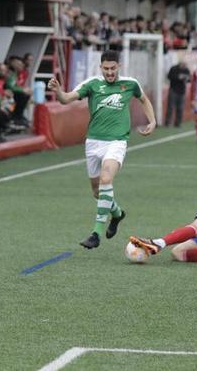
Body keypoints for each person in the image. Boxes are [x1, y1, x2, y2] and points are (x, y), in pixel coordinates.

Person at [47, 50, 156, 249]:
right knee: (98, 192)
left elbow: (144, 100)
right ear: (101, 68)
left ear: (119, 67)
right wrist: (58, 91)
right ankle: (117, 213)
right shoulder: (92, 84)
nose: (110, 72)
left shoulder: (130, 84)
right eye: (106, 69)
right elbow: (66, 99)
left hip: (117, 141)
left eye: (113, 68)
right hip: (93, 143)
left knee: (107, 179)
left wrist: (152, 120)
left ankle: (96, 233)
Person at [165, 60, 191, 128]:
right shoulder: (174, 68)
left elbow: (189, 79)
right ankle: (168, 122)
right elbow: (169, 76)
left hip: (182, 91)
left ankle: (178, 123)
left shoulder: (186, 70)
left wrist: (187, 78)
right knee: (170, 107)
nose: (184, 66)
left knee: (180, 108)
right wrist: (178, 77)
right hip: (173, 90)